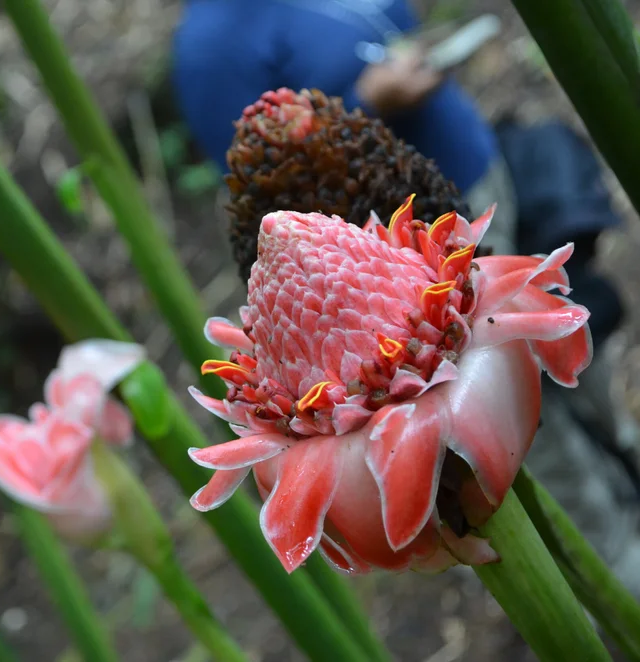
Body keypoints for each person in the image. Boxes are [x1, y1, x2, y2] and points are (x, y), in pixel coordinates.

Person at [172, 0, 640, 593]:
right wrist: (370, 102)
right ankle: (613, 572)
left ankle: (621, 455)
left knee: (575, 366)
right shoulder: (211, 48)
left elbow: (393, 18)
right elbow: (239, 163)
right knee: (548, 462)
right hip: (371, 315)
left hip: (452, 231)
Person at [171, 0, 517, 252]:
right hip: (417, 244)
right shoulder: (211, 49)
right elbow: (265, 190)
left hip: (473, 167)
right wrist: (366, 103)